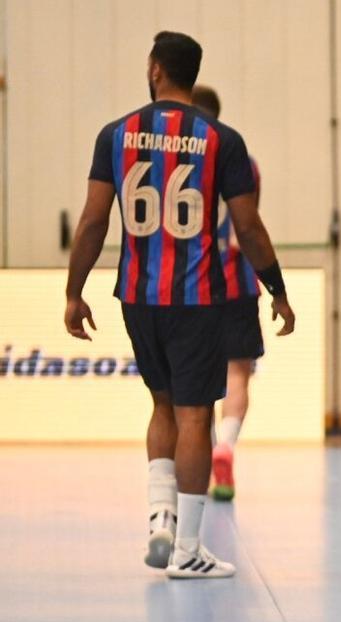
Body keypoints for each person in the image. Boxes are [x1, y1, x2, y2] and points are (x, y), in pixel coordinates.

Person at [64, 32, 296, 579]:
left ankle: (159, 517)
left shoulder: (115, 135)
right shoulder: (222, 139)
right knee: (197, 415)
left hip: (138, 295)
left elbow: (95, 219)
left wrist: (74, 292)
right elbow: (249, 226)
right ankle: (189, 548)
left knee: (161, 406)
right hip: (197, 297)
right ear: (193, 74)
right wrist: (277, 289)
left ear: (154, 69)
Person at [189, 85, 263, 500]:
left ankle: (196, 468)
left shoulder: (177, 158)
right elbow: (242, 233)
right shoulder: (243, 161)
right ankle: (225, 448)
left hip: (188, 285)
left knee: (196, 380)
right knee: (238, 374)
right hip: (235, 282)